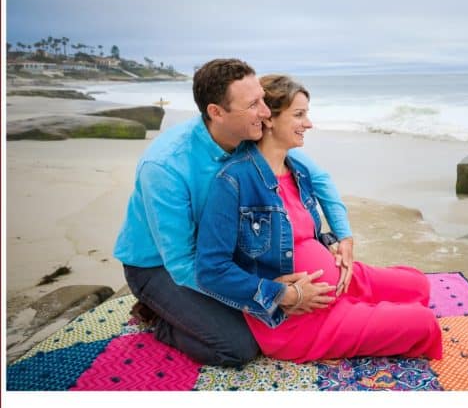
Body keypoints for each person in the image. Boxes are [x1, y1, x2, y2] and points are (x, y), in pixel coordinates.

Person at [113, 58, 354, 366]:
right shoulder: (164, 168)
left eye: (263, 101)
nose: (266, 114)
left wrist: (342, 235)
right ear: (216, 112)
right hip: (158, 267)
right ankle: (160, 319)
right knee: (239, 346)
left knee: (275, 313)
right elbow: (183, 264)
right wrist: (275, 294)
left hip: (219, 255)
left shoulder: (247, 136)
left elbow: (318, 177)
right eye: (254, 105)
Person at [195, 75, 442, 363]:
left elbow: (300, 236)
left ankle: (358, 302)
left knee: (419, 284)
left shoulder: (298, 170)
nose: (309, 124)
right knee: (424, 324)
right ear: (270, 119)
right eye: (299, 115)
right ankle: (356, 314)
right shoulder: (234, 181)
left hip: (341, 285)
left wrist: (333, 247)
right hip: (300, 319)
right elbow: (211, 270)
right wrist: (283, 294)